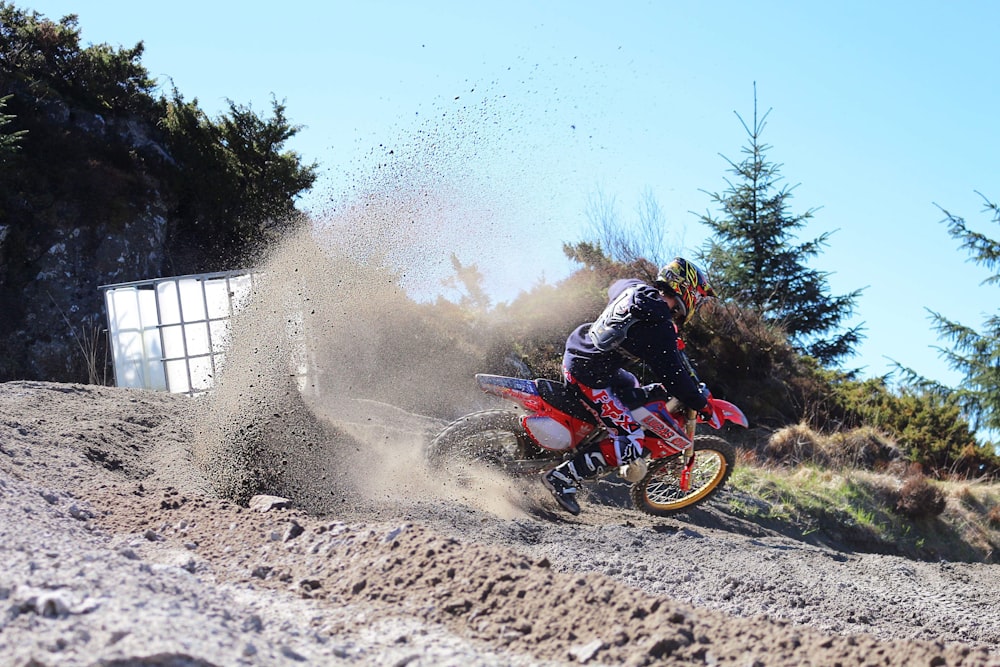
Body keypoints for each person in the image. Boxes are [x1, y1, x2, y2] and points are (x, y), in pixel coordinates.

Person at [541, 257, 717, 515]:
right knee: (633, 439)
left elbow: (615, 286)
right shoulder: (659, 327)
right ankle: (562, 478)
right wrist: (701, 405)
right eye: (697, 296)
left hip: (581, 350)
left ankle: (594, 436)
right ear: (685, 290)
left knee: (632, 384)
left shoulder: (634, 288)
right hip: (590, 376)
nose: (697, 302)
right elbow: (674, 377)